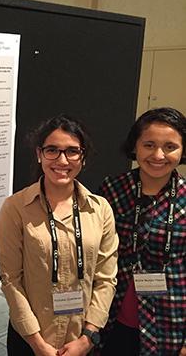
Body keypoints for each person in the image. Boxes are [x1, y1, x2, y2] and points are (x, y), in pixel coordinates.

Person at [0, 114, 118, 356]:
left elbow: (106, 279)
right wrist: (37, 344)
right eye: (52, 150)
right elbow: (11, 279)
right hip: (31, 337)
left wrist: (88, 338)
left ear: (82, 157)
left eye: (72, 151)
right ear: (39, 154)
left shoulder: (100, 209)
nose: (62, 160)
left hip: (81, 337)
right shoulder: (16, 208)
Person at [99, 107, 186, 356]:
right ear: (135, 146)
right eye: (149, 144)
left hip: (169, 319)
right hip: (111, 314)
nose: (158, 155)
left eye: (170, 146)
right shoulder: (112, 189)